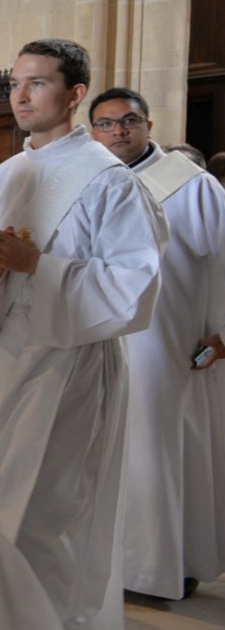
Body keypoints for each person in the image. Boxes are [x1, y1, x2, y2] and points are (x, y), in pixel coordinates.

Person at [0, 39, 166, 630]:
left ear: (74, 94)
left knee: (33, 523)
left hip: (71, 366)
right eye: (15, 84)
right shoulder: (6, 175)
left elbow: (133, 286)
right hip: (10, 358)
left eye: (37, 83)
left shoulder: (109, 182)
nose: (20, 96)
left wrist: (35, 265)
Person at [88, 87, 225, 601]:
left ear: (149, 125)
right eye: (106, 123)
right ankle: (111, 561)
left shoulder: (190, 185)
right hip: (100, 339)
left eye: (129, 120)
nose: (119, 131)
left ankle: (173, 564)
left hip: (164, 345)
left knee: (161, 452)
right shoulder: (91, 179)